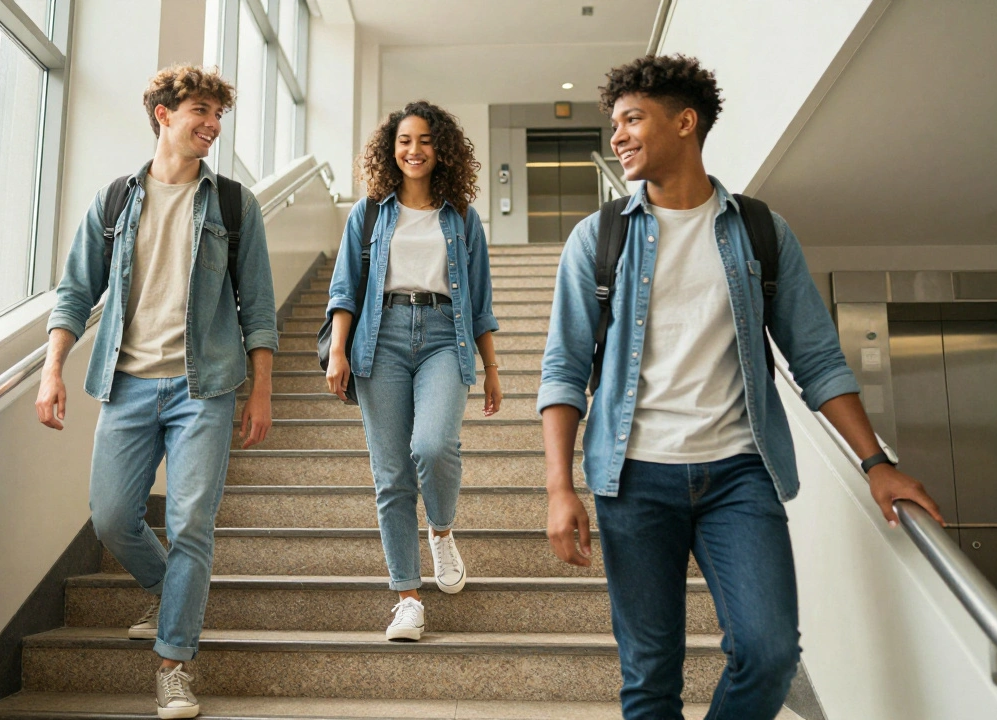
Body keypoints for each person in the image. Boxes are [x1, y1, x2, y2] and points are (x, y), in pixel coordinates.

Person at [538, 55, 944, 720]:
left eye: (632, 119)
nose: (617, 137)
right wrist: (559, 486)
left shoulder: (761, 231)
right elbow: (563, 369)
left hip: (738, 475)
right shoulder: (599, 239)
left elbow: (815, 358)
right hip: (634, 479)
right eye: (614, 124)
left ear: (685, 122)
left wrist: (877, 463)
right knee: (649, 675)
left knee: (769, 652)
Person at [34, 64, 277, 720]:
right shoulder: (115, 200)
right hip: (128, 383)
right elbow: (75, 292)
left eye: (219, 114)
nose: (213, 124)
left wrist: (261, 392)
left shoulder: (231, 203)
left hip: (208, 387)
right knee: (112, 516)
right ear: (163, 114)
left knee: (190, 521)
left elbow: (257, 304)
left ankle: (174, 663)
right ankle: (174, 594)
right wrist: (52, 368)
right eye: (201, 109)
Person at [325, 100, 502, 642]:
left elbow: (481, 300)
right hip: (382, 337)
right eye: (404, 140)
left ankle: (442, 530)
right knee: (392, 475)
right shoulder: (369, 212)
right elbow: (343, 290)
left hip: (446, 335)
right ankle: (407, 597)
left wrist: (491, 367)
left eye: (424, 140)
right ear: (390, 148)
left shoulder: (462, 217)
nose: (414, 150)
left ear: (440, 148)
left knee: (432, 446)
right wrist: (337, 351)